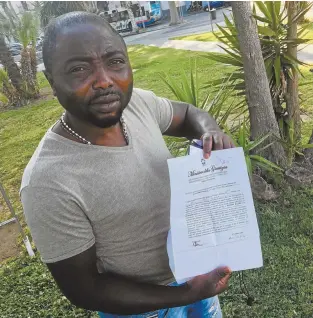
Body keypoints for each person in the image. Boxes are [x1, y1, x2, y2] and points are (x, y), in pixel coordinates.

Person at [20, 12, 234, 318]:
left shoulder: (137, 106)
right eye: (79, 69)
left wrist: (209, 131)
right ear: (53, 83)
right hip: (140, 310)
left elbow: (187, 115)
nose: (105, 80)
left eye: (115, 61)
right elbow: (85, 289)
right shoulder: (47, 182)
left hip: (195, 279)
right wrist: (184, 295)